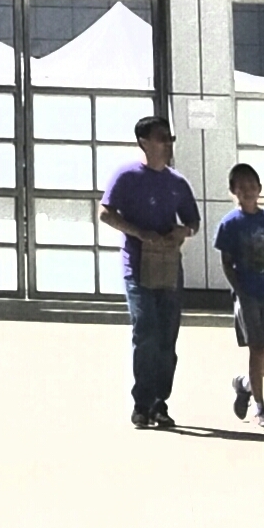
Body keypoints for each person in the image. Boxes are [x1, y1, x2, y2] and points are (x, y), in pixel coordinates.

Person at [100, 112, 200, 430]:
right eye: (160, 138)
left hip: (168, 265)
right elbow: (105, 213)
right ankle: (141, 402)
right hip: (138, 264)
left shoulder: (177, 182)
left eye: (169, 138)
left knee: (167, 336)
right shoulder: (127, 176)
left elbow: (193, 222)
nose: (166, 144)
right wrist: (139, 233)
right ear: (143, 142)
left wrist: (180, 232)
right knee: (145, 330)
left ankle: (160, 402)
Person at [214, 162, 264, 429]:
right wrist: (239, 289)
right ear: (233, 190)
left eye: (252, 186)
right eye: (241, 187)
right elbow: (226, 261)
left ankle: (246, 384)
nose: (247, 191)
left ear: (259, 189)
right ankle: (260, 408)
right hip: (248, 297)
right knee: (256, 349)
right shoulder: (230, 224)